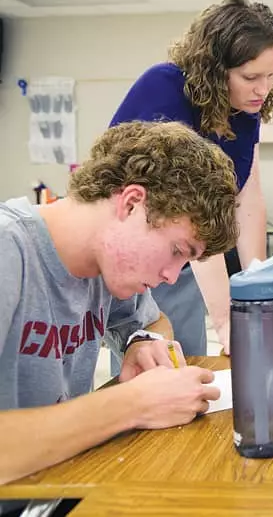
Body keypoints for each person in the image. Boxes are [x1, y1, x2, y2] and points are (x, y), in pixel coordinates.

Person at [0, 121, 239, 484]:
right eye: (176, 251)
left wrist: (143, 344)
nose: (173, 276)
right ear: (131, 203)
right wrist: (134, 403)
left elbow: (154, 322)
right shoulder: (8, 251)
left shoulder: (105, 267)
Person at [110, 0, 273, 355]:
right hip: (141, 253)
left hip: (187, 257)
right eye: (251, 77)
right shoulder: (164, 89)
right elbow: (185, 214)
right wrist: (225, 318)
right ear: (214, 69)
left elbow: (247, 199)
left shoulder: (244, 107)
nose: (263, 89)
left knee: (189, 360)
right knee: (158, 364)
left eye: (271, 75)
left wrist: (257, 291)